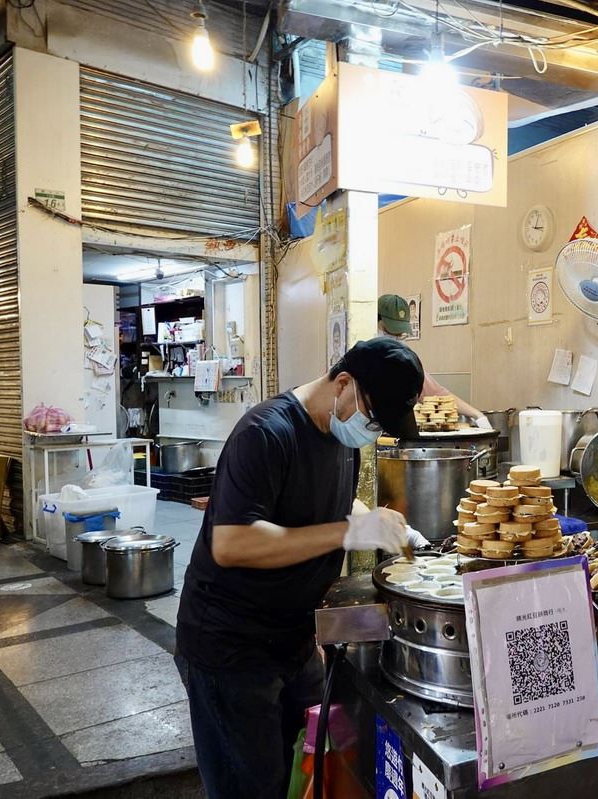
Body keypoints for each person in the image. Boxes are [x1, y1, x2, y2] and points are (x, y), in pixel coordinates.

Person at [174, 338, 425, 798]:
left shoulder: (339, 435)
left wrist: (386, 526)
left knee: (303, 769)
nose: (373, 430)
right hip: (231, 648)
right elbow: (233, 542)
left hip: (293, 641)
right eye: (375, 417)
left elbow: (326, 502)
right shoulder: (266, 434)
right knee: (249, 786)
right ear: (344, 384)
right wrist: (348, 533)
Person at [377, 293, 492, 429]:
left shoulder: (404, 363)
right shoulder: (361, 360)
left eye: (399, 334)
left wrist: (477, 415)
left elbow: (437, 395)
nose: (395, 338)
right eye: (390, 331)